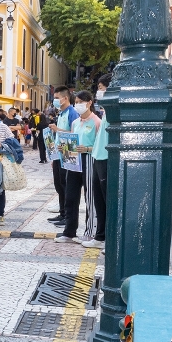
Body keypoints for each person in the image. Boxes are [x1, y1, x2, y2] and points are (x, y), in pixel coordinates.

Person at [56, 91, 100, 244]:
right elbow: (71, 140)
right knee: (70, 196)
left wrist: (87, 149)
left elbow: (100, 145)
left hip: (89, 159)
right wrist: (64, 147)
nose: (78, 105)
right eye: (76, 102)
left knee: (90, 197)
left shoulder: (96, 122)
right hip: (73, 161)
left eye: (81, 102)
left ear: (89, 102)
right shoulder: (75, 123)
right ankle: (69, 231)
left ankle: (90, 231)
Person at [46, 87, 79, 222]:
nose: (55, 101)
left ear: (65, 98)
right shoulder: (61, 113)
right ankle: (62, 212)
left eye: (57, 98)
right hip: (59, 154)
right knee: (59, 184)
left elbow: (75, 133)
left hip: (67, 153)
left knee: (66, 185)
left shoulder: (72, 113)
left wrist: (57, 129)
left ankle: (68, 216)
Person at [86, 99, 110, 250]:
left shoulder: (114, 110)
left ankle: (110, 239)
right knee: (99, 202)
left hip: (106, 158)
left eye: (101, 89)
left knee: (108, 202)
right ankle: (100, 236)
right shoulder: (105, 112)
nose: (99, 93)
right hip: (97, 157)